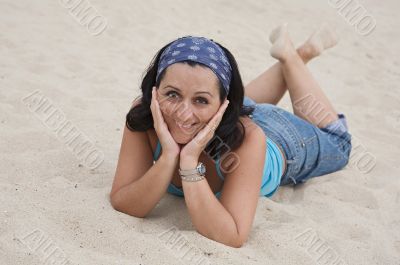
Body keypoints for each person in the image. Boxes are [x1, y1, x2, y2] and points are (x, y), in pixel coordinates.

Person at [110, 24, 352, 248]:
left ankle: (293, 58)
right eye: (172, 94)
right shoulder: (145, 114)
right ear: (154, 91)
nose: (183, 113)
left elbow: (232, 235)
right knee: (214, 105)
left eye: (200, 100)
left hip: (279, 137)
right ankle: (292, 57)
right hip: (223, 116)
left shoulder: (249, 140)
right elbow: (124, 202)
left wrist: (189, 162)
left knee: (339, 143)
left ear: (223, 104)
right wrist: (169, 156)